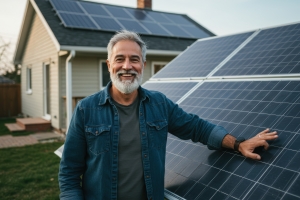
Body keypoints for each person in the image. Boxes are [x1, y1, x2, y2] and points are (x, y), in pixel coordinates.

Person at [58, 30, 278, 200]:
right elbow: (69, 174)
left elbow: (196, 127)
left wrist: (239, 144)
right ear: (109, 65)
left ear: (143, 65)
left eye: (134, 59)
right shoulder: (86, 110)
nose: (127, 66)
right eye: (119, 59)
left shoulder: (159, 104)